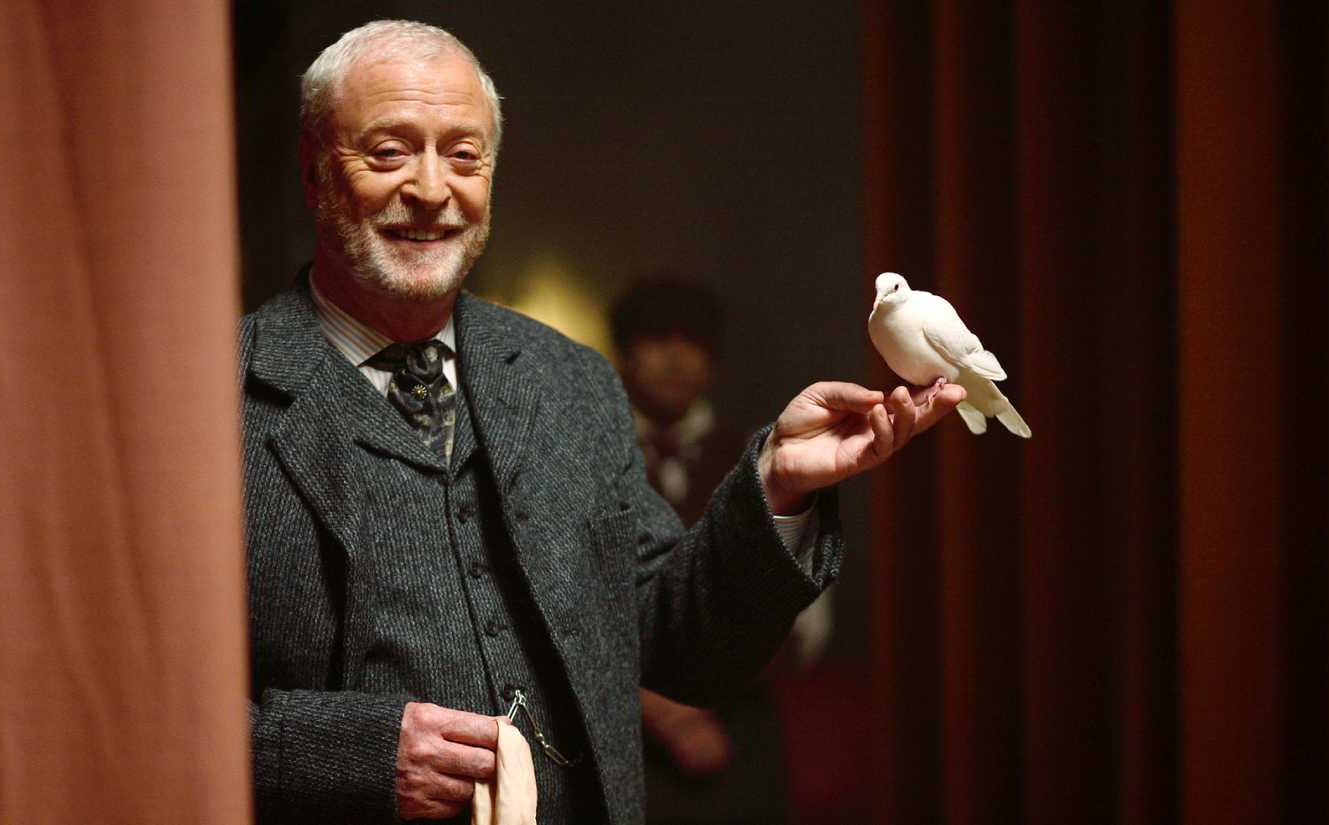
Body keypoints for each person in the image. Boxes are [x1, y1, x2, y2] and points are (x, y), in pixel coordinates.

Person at [239, 19, 962, 825]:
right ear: (312, 172)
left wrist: (776, 487)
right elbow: (130, 705)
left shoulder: (568, 378)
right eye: (389, 153)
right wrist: (352, 756)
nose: (434, 189)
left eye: (465, 155)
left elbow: (673, 638)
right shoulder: (217, 401)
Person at [611, 279, 833, 825]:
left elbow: (806, 616)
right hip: (621, 732)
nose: (676, 357)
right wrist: (663, 713)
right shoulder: (593, 455)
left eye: (694, 341)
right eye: (657, 338)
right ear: (625, 352)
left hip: (740, 728)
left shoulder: (762, 457)